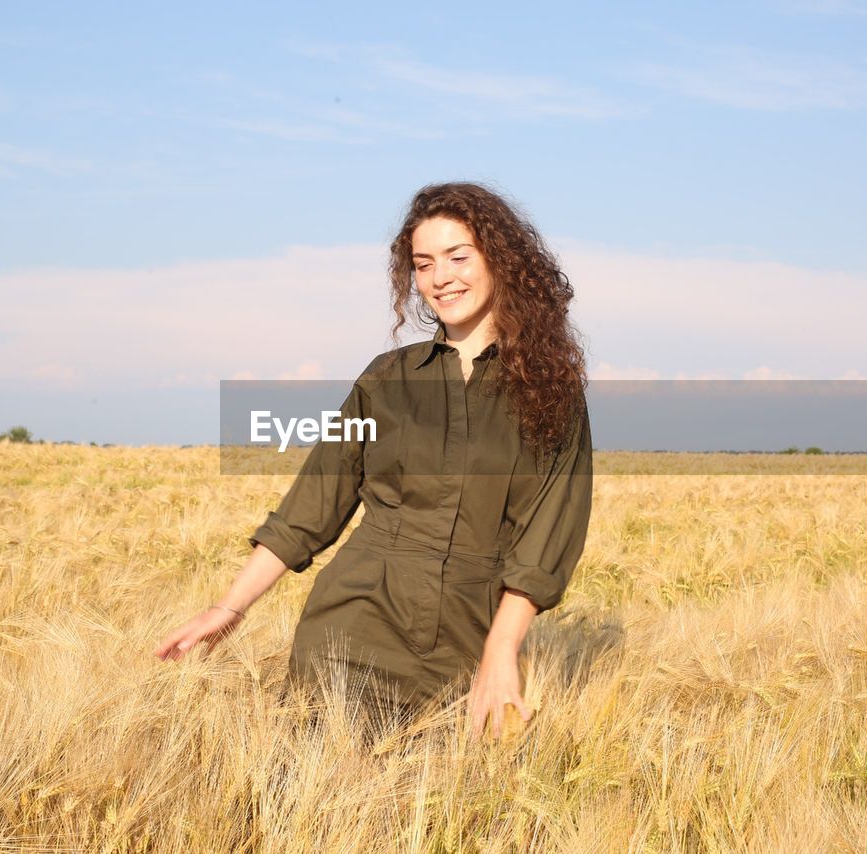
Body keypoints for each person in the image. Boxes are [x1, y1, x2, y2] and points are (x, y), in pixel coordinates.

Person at [154, 181, 594, 740]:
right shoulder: (387, 379)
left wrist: (502, 649)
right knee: (313, 800)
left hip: (465, 638)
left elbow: (548, 534)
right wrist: (229, 608)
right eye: (424, 263)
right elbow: (312, 506)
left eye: (458, 257)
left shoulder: (550, 392)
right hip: (353, 620)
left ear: (500, 261)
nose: (440, 278)